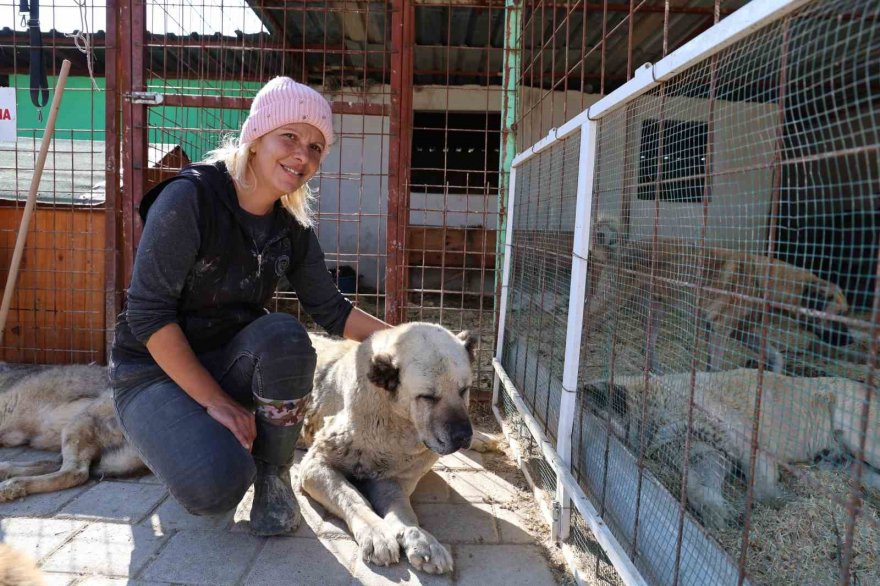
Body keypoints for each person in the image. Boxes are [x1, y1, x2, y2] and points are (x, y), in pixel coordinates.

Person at [109, 77, 390, 536]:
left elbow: (332, 311)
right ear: (256, 138)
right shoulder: (191, 198)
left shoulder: (290, 226)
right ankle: (181, 433)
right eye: (291, 137)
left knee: (284, 336)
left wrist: (411, 341)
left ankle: (274, 474)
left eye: (317, 147)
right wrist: (215, 402)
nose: (304, 154)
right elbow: (148, 315)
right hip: (150, 372)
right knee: (216, 489)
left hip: (229, 362)